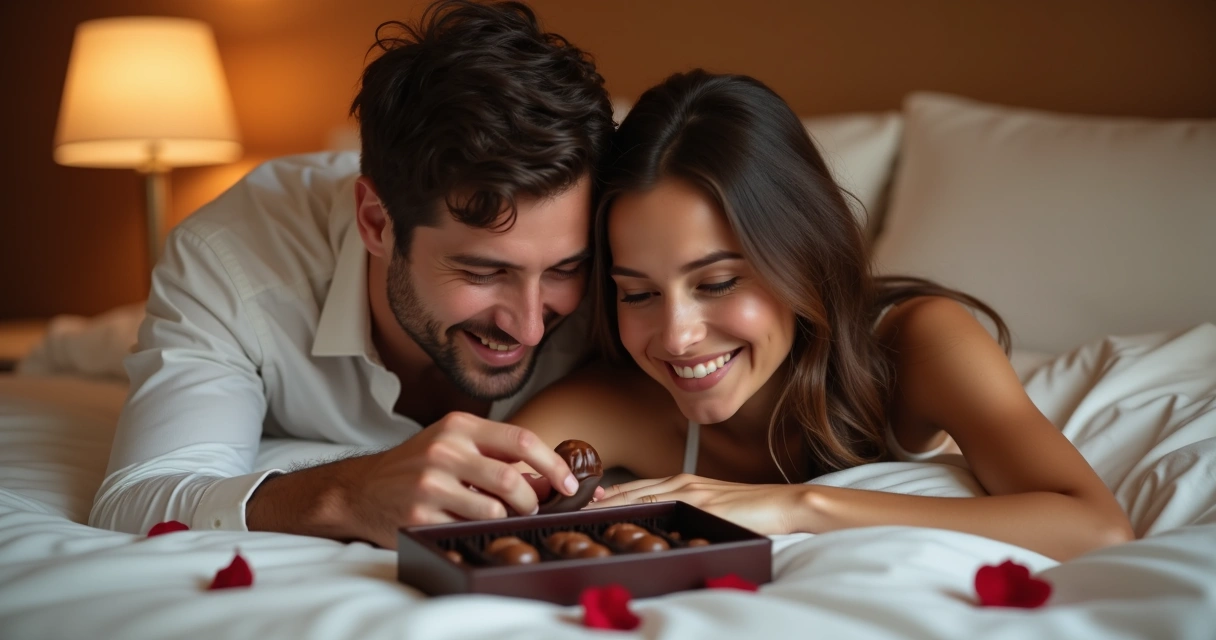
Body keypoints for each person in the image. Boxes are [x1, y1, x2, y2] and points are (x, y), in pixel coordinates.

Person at [510, 70, 1134, 561]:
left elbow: (1095, 527)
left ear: (800, 259)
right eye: (638, 293)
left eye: (719, 282)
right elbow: (477, 497)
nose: (676, 336)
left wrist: (800, 506)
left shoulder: (918, 342)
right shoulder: (621, 402)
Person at [90, 0, 615, 549]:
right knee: (85, 346)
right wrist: (347, 493)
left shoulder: (621, 249)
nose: (530, 327)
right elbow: (139, 493)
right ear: (376, 223)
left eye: (564, 269)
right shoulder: (231, 257)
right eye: (483, 270)